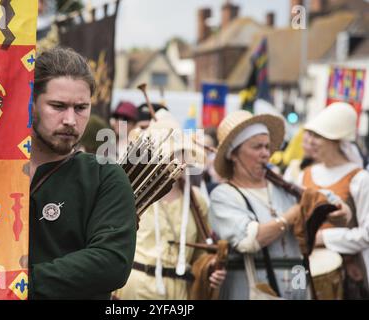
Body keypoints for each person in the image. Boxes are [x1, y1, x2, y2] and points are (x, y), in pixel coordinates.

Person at [27, 47, 137, 299]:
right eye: (57, 106)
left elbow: (111, 261)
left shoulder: (105, 176)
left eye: (80, 108)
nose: (70, 119)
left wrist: (20, 284)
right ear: (31, 104)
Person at [209, 110, 350, 300]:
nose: (265, 153)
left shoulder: (284, 188)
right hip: (250, 293)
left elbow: (326, 200)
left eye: (267, 147)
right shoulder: (224, 195)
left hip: (297, 282)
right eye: (257, 147)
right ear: (233, 154)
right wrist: (291, 215)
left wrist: (340, 211)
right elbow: (249, 240)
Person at [115, 109, 226, 300]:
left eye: (182, 152)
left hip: (181, 292)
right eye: (172, 153)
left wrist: (210, 269)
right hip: (136, 290)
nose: (179, 160)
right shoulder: (133, 193)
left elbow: (200, 253)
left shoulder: (195, 199)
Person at [301, 102, 369, 299]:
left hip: (344, 271)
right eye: (311, 135)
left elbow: (366, 233)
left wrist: (323, 238)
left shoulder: (359, 178)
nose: (311, 141)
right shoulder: (303, 174)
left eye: (319, 136)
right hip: (303, 266)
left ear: (336, 141)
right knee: (295, 293)